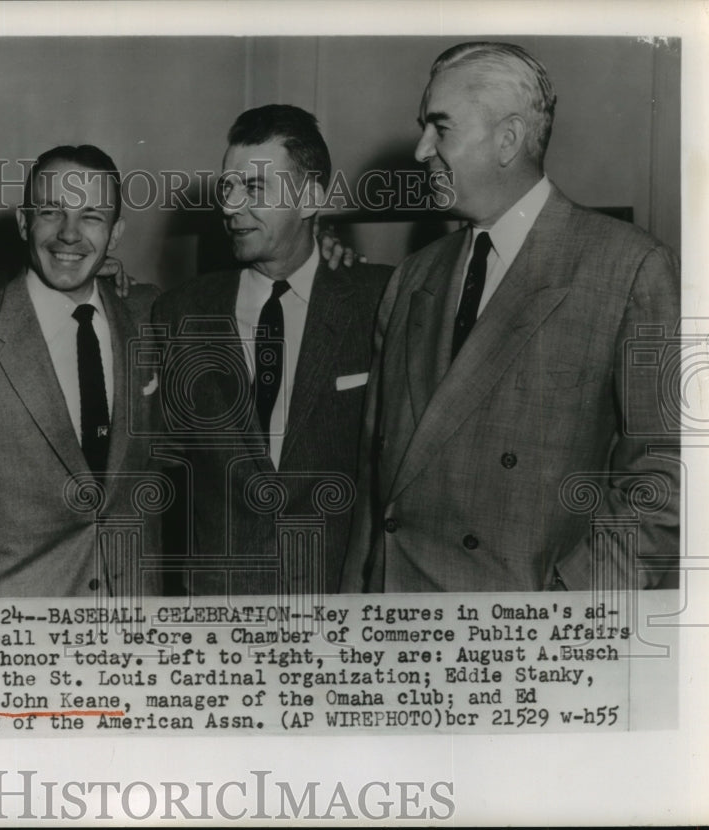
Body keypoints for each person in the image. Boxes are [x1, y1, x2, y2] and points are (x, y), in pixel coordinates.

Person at [341, 42, 680, 593]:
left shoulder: (630, 267)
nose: (422, 150)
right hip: (395, 623)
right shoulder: (412, 278)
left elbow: (666, 480)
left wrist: (566, 609)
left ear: (508, 139)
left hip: (522, 629)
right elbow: (371, 489)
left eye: (440, 128)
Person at [151, 104, 393, 597]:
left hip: (340, 603)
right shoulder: (180, 312)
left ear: (310, 198)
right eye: (228, 188)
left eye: (255, 188)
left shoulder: (380, 299)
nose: (230, 206)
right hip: (217, 609)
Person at [0, 146, 162, 597]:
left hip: (136, 616)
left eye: (92, 217)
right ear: (24, 222)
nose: (69, 234)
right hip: (20, 620)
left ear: (115, 233)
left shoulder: (150, 315)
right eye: (51, 212)